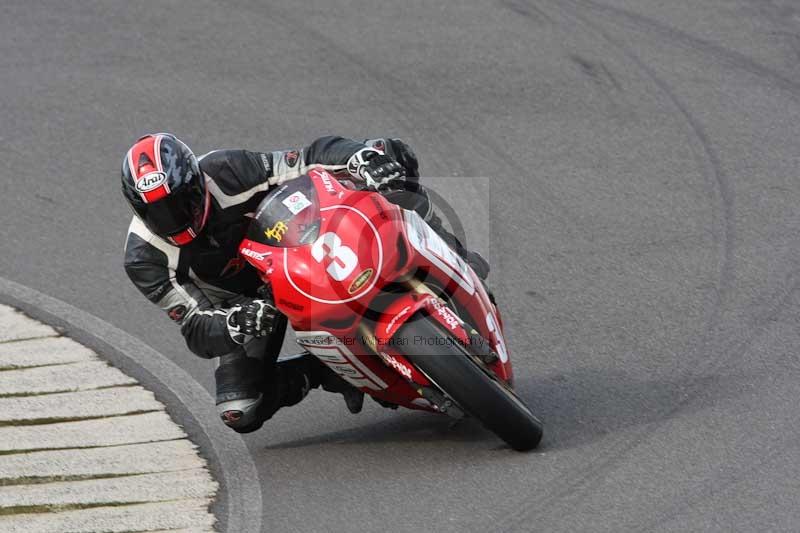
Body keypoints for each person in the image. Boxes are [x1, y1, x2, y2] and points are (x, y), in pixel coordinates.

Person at [121, 133, 490, 433]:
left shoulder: (227, 170)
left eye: (180, 202)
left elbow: (308, 158)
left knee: (387, 153)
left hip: (295, 249)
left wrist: (358, 158)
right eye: (157, 212)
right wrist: (234, 323)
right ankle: (326, 370)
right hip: (248, 304)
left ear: (196, 182)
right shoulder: (145, 259)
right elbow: (196, 326)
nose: (173, 218)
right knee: (241, 409)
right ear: (138, 208)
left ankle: (453, 254)